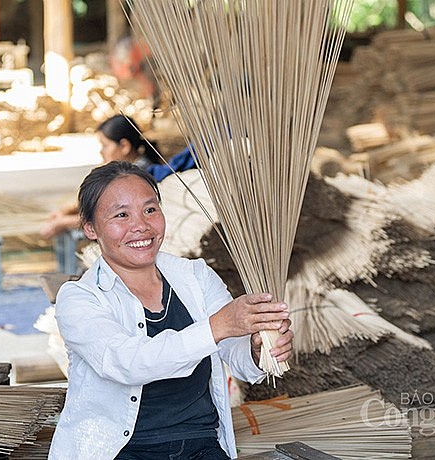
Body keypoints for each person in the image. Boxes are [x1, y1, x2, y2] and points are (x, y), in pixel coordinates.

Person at [47, 161, 293, 459]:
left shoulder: (196, 277)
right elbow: (127, 362)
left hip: (200, 444)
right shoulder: (80, 298)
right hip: (121, 450)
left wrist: (258, 349)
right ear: (90, 228)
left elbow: (236, 357)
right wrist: (218, 326)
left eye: (150, 210)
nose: (141, 226)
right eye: (121, 215)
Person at [40, 114, 196, 239]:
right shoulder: (130, 171)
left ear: (124, 146)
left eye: (105, 146)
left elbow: (111, 217)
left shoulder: (136, 178)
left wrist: (63, 223)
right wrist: (66, 211)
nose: (102, 152)